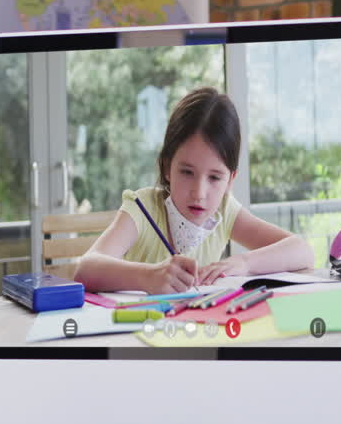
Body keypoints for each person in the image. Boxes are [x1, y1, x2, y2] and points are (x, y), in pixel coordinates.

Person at [74, 87, 313, 294]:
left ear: (230, 180)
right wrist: (148, 277)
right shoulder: (142, 207)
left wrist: (244, 263)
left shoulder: (225, 210)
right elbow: (85, 269)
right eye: (187, 172)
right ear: (167, 167)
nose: (199, 193)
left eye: (215, 177)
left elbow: (302, 251)